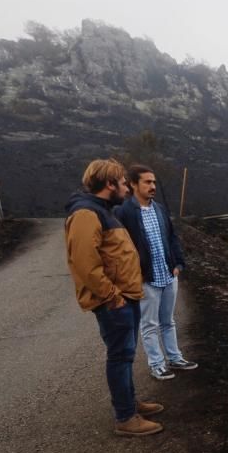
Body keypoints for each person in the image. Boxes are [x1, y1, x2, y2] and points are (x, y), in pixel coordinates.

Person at [64, 158, 164, 436]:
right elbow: (85, 263)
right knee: (120, 356)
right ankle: (125, 417)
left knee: (126, 354)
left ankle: (129, 404)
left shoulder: (104, 210)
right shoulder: (86, 213)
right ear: (109, 184)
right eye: (122, 182)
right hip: (113, 301)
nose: (127, 188)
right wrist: (112, 296)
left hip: (126, 297)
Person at [115, 164, 198, 380]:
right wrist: (134, 274)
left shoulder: (159, 209)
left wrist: (178, 264)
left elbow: (172, 237)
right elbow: (120, 248)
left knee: (168, 321)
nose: (153, 186)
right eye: (147, 182)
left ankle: (175, 358)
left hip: (169, 275)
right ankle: (157, 364)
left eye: (153, 182)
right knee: (149, 324)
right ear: (133, 184)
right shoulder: (123, 212)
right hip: (146, 279)